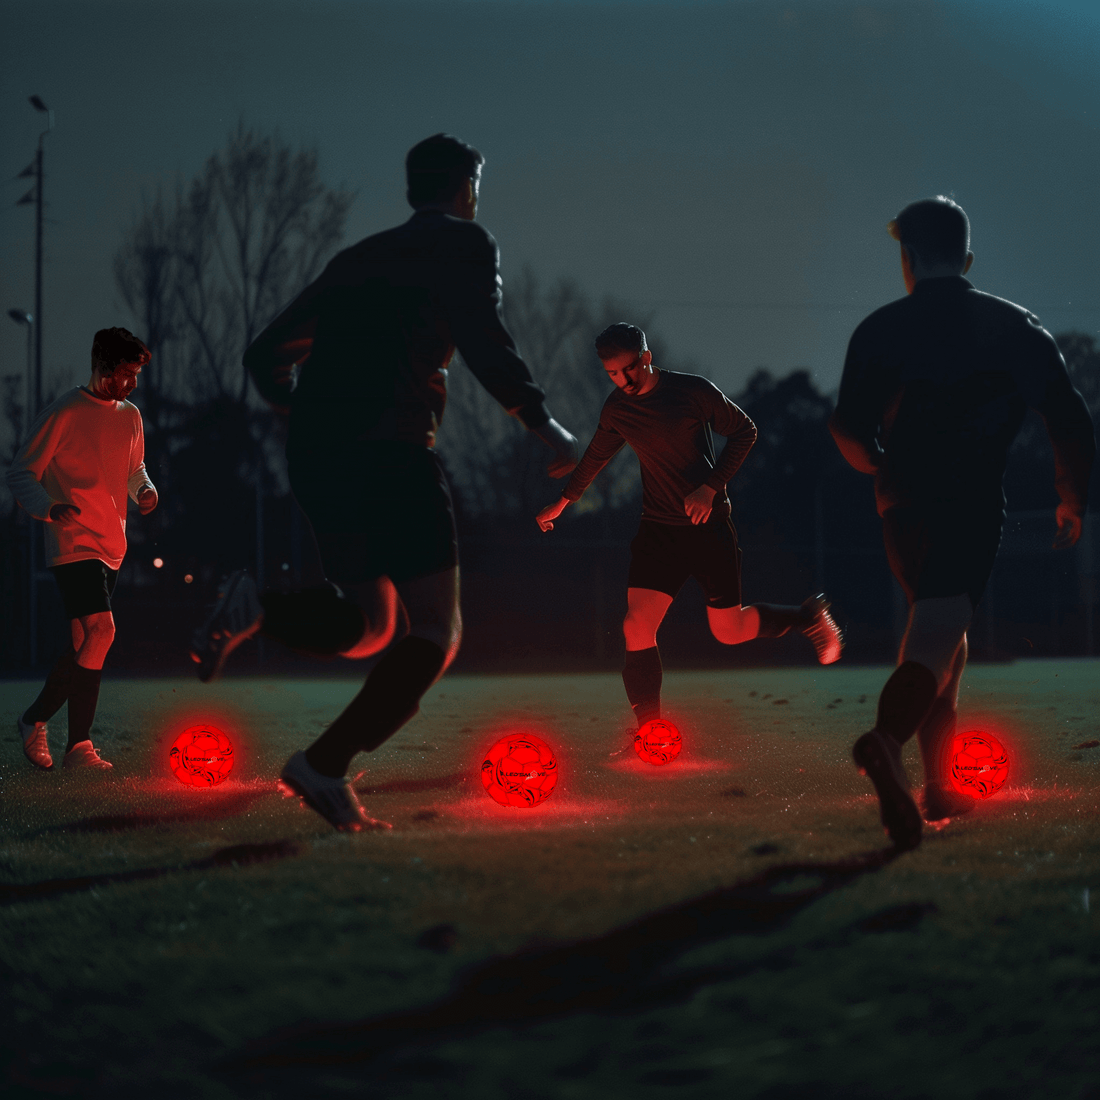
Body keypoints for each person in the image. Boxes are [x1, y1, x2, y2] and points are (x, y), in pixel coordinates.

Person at [190, 133, 579, 831]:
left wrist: (298, 411)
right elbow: (483, 335)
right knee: (437, 627)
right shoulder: (464, 243)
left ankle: (261, 611)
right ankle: (324, 764)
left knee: (374, 628)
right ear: (465, 186)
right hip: (391, 449)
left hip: (319, 456)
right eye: (475, 184)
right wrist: (543, 424)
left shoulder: (357, 259)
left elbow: (263, 354)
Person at [830, 196, 1095, 850]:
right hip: (969, 504)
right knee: (938, 636)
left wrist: (875, 463)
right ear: (968, 258)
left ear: (908, 259)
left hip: (899, 506)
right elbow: (1068, 417)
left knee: (945, 637)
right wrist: (1071, 496)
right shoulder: (1013, 326)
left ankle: (940, 785)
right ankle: (885, 744)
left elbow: (847, 427)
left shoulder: (879, 328)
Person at [537, 323, 843, 733]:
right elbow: (595, 456)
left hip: (707, 526)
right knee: (636, 625)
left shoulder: (692, 392)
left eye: (628, 369)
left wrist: (710, 487)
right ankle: (649, 733)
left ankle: (807, 616)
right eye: (612, 373)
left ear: (645, 357)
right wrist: (561, 503)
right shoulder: (617, 409)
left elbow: (745, 431)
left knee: (729, 632)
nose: (622, 380)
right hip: (658, 531)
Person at [7, 327, 158, 771]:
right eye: (125, 373)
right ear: (101, 366)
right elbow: (21, 473)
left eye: (136, 375)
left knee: (83, 643)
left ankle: (65, 740)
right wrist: (50, 509)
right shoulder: (65, 412)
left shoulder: (131, 416)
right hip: (73, 544)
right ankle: (51, 730)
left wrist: (146, 490)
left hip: (112, 546)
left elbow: (136, 469)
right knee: (103, 632)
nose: (131, 383)